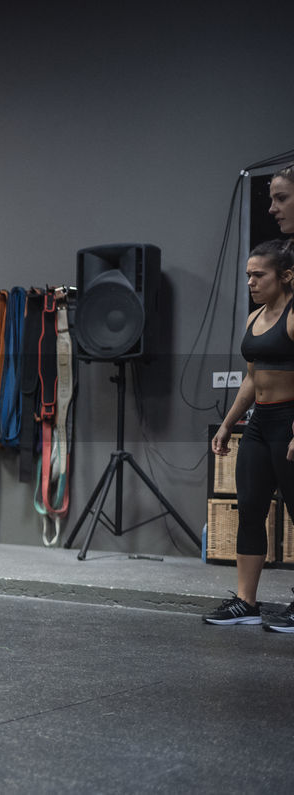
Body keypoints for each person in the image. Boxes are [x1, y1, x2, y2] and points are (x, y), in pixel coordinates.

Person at [208, 167, 294, 630]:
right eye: (247, 275)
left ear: (285, 276)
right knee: (250, 508)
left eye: (258, 275)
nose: (250, 282)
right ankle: (247, 601)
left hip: (290, 420)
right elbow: (251, 378)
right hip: (260, 422)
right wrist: (227, 425)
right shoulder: (254, 319)